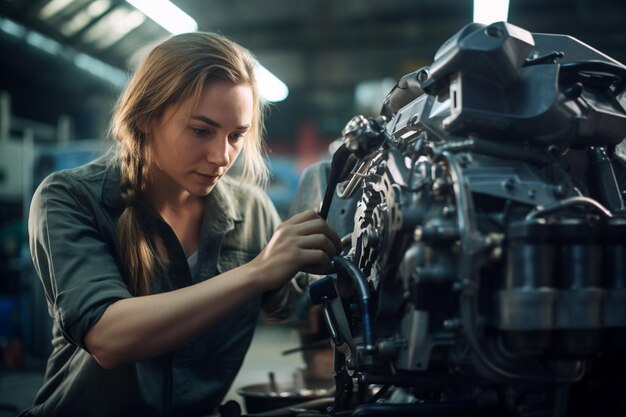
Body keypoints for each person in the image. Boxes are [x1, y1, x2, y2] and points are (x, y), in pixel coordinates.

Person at [24, 32, 341, 417]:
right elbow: (109, 338)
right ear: (145, 117)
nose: (222, 156)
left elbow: (297, 306)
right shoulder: (70, 198)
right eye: (201, 130)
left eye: (236, 135)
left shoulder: (252, 212)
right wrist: (257, 272)